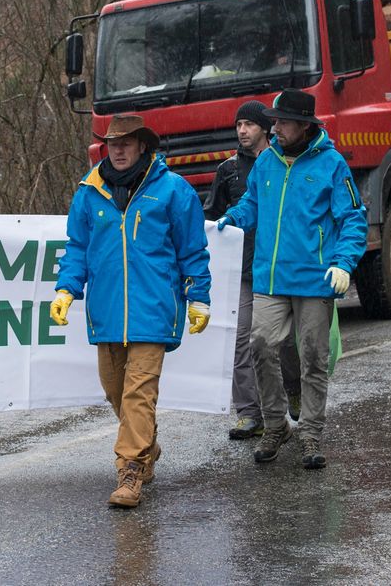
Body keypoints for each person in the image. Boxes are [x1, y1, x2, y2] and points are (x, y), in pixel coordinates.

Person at [50, 114, 212, 508]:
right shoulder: (89, 192)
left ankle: (130, 471)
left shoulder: (173, 191)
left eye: (125, 143)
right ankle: (147, 446)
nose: (117, 150)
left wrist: (199, 297)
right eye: (111, 143)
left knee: (138, 394)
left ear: (143, 145)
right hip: (106, 312)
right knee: (116, 391)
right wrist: (66, 289)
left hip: (154, 309)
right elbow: (76, 247)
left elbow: (192, 249)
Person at [217, 90, 367, 469]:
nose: (275, 127)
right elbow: (252, 203)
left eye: (282, 122)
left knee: (313, 355)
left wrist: (343, 263)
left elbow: (352, 218)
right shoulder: (266, 162)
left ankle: (311, 432)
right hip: (270, 276)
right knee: (261, 344)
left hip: (315, 278)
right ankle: (275, 425)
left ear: (304, 125)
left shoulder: (331, 163)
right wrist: (232, 219)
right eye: (274, 121)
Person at [204, 100, 302, 440]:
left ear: (265, 127)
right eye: (238, 125)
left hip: (280, 269)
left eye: (249, 124)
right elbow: (213, 216)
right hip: (242, 271)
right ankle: (249, 413)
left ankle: (294, 389)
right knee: (241, 340)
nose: (242, 131)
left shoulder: (283, 163)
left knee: (286, 342)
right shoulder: (228, 170)